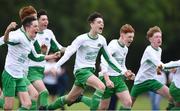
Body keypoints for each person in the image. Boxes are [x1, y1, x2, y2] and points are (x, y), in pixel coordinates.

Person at [41, 11, 134, 110]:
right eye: (99, 22)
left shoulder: (102, 40)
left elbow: (109, 59)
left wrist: (124, 71)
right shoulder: (82, 38)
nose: (102, 24)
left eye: (102, 22)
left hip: (90, 72)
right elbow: (68, 53)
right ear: (92, 24)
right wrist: (56, 66)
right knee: (101, 87)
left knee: (70, 98)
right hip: (81, 71)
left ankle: (46, 108)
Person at [2, 16, 58, 110]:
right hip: (10, 75)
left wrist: (51, 56)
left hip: (20, 76)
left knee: (27, 104)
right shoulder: (19, 37)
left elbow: (36, 57)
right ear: (27, 27)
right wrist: (8, 29)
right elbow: (6, 40)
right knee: (8, 108)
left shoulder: (31, 42)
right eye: (35, 26)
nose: (37, 28)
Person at [27, 9, 65, 108]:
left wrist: (73, 48)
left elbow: (59, 47)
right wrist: (43, 52)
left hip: (40, 70)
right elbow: (32, 54)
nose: (46, 22)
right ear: (37, 20)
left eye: (47, 19)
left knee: (34, 98)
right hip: (30, 69)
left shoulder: (49, 33)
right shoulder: (31, 34)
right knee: (43, 93)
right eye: (43, 19)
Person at [130, 26, 174, 110]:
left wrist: (160, 70)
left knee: (173, 97)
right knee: (128, 106)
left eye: (160, 37)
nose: (159, 39)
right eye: (156, 37)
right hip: (140, 82)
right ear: (150, 39)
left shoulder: (159, 50)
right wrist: (171, 67)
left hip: (152, 81)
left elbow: (158, 66)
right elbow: (159, 64)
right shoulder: (148, 50)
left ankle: (169, 109)